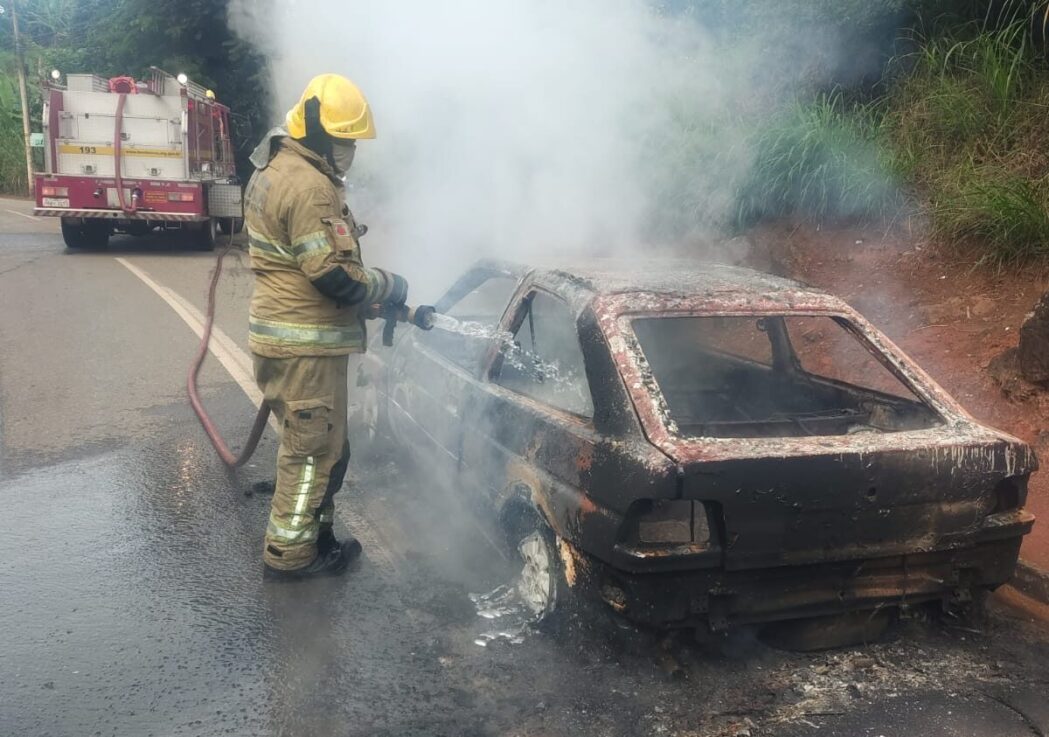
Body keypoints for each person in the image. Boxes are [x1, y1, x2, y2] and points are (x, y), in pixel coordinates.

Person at [243, 73, 406, 580]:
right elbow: (332, 274)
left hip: (287, 336)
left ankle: (318, 536)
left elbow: (301, 266)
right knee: (312, 453)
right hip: (305, 347)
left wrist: (362, 304)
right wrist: (387, 286)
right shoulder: (312, 188)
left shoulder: (276, 164)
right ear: (316, 132)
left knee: (324, 446)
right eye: (344, 140)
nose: (349, 150)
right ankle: (290, 556)